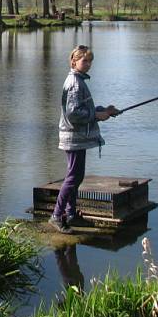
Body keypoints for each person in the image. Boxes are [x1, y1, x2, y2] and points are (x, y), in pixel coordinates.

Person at [49, 45, 118, 234]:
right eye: (84, 61)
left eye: (90, 61)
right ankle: (56, 216)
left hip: (77, 137)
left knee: (76, 176)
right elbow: (73, 114)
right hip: (73, 137)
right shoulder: (74, 83)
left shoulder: (78, 80)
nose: (88, 64)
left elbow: (81, 109)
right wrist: (96, 116)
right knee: (73, 177)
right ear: (74, 61)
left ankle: (71, 214)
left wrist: (106, 111)